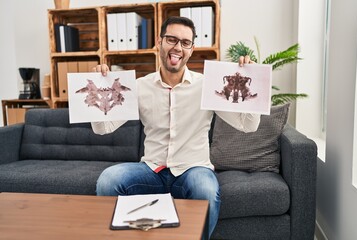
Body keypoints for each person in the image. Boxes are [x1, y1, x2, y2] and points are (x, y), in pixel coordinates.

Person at [92, 16, 260, 237]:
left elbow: (247, 125)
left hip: (193, 169)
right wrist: (99, 88)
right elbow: (103, 128)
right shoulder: (139, 87)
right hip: (152, 170)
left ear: (191, 49)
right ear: (159, 42)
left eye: (185, 42)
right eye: (171, 39)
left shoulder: (208, 86)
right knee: (108, 180)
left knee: (206, 190)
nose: (178, 47)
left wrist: (254, 80)